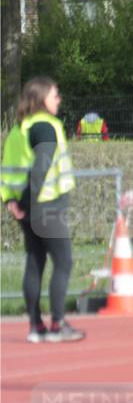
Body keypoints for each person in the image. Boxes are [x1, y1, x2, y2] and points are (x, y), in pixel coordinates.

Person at [0, 77, 85, 343]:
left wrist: (11, 202)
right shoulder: (46, 126)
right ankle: (58, 325)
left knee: (35, 261)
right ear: (41, 99)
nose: (59, 99)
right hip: (45, 204)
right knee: (63, 261)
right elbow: (41, 167)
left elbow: (10, 171)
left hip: (24, 207)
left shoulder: (19, 129)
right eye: (54, 95)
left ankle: (36, 326)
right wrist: (29, 202)